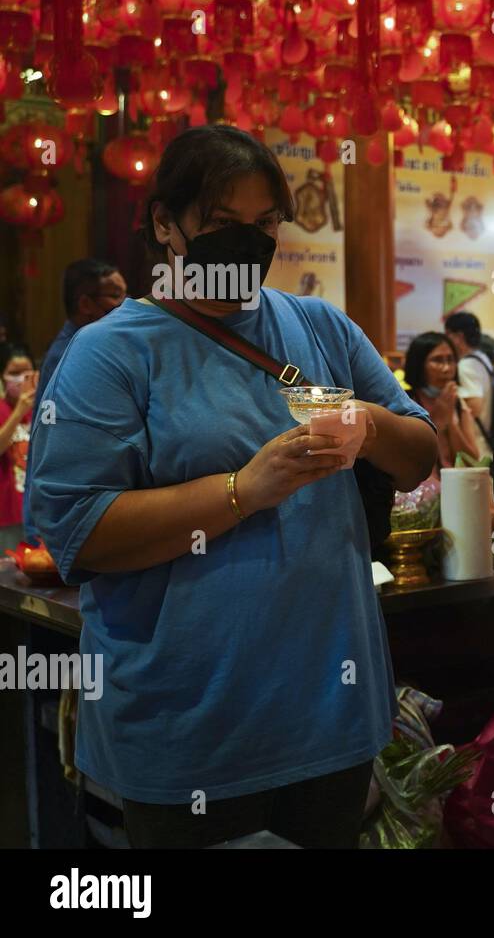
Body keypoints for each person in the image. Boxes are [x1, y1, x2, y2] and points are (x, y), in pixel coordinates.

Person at [27, 125, 438, 849]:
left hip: (331, 713)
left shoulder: (319, 327)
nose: (247, 243)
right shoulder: (110, 353)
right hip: (190, 726)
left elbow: (420, 454)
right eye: (222, 224)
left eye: (265, 224)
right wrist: (243, 489)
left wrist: (366, 424)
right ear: (165, 223)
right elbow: (74, 533)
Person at [23, 258, 127, 542]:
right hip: (62, 510)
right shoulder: (73, 353)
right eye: (116, 295)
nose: (126, 303)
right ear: (86, 304)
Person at [403, 331, 481, 471]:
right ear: (419, 364)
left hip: (452, 487)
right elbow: (407, 457)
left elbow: (471, 461)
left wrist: (450, 421)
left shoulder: (457, 403)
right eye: (437, 360)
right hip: (419, 489)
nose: (446, 368)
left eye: (450, 360)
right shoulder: (406, 402)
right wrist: (436, 422)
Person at [0, 350, 37, 551]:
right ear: (3, 376)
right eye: (14, 372)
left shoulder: (43, 409)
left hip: (37, 510)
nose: (21, 378)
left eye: (26, 372)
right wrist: (19, 411)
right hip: (7, 512)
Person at [444, 310, 493, 453]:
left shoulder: (466, 365)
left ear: (458, 337)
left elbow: (474, 406)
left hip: (477, 447)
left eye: (448, 335)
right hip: (487, 442)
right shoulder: (482, 359)